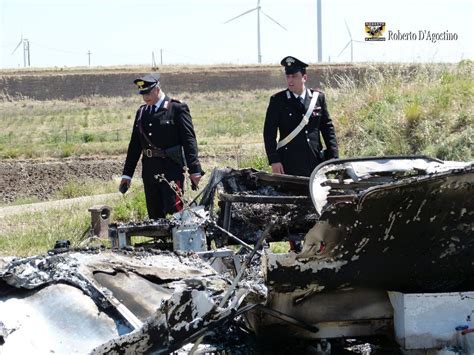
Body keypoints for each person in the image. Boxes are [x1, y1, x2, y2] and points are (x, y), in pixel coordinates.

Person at [119, 72, 203, 219]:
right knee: (155, 214)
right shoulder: (142, 112)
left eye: (148, 93)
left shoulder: (176, 108)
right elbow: (135, 146)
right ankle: (161, 241)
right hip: (150, 170)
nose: (145, 98)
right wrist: (127, 174)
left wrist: (194, 169)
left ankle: (178, 241)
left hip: (171, 169)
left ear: (157, 89)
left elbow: (189, 140)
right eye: (143, 94)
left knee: (175, 210)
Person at [263, 56, 339, 177]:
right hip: (289, 163)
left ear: (304, 77)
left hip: (315, 161)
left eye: (294, 76)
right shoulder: (278, 100)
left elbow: (327, 128)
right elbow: (269, 133)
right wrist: (274, 160)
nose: (290, 80)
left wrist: (334, 157)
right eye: (288, 76)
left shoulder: (317, 98)